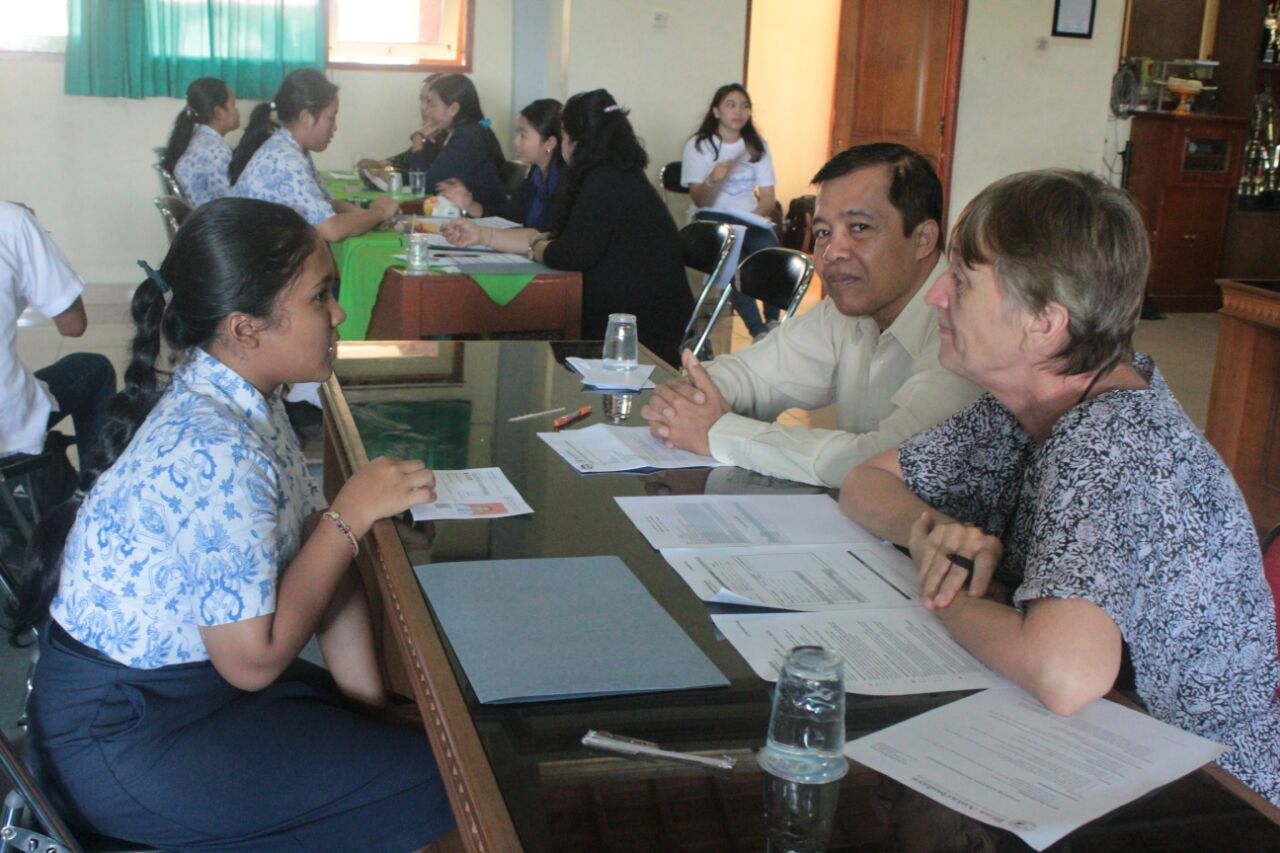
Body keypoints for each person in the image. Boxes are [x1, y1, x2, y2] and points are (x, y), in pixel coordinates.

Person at [9, 198, 455, 849]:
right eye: (321, 297)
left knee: (421, 741)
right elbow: (254, 660)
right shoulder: (218, 446)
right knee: (441, 784)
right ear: (246, 328)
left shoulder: (245, 398)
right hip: (124, 738)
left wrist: (372, 708)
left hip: (186, 690)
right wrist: (348, 516)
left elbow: (321, 562)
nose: (340, 313)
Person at [839, 169, 1280, 805]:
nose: (935, 296)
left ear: (1043, 324)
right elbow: (867, 482)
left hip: (1209, 797)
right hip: (1116, 751)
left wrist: (946, 588)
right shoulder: (1033, 398)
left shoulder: (1112, 441)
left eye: (962, 280)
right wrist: (925, 533)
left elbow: (1065, 672)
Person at [642, 143, 979, 488]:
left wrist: (716, 432)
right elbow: (755, 374)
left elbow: (890, 461)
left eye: (860, 228)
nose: (832, 252)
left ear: (923, 239)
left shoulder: (965, 329)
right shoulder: (848, 310)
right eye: (822, 233)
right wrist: (689, 399)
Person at [441, 90, 694, 365]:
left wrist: (537, 247)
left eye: (564, 133)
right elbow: (553, 238)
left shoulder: (604, 180)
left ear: (576, 139)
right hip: (634, 313)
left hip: (638, 332)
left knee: (518, 322)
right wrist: (482, 235)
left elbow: (567, 253)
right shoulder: (613, 173)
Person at [0, 201, 115, 475]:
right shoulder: (11, 222)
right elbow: (72, 325)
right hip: (7, 425)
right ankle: (95, 494)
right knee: (94, 369)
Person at [231, 69, 397, 242]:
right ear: (306, 118)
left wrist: (365, 216)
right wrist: (379, 213)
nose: (335, 128)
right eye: (331, 118)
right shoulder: (286, 160)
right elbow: (332, 230)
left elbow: (326, 204)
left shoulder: (291, 147)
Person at [682, 83, 780, 340]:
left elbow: (768, 197)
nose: (739, 111)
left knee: (770, 251)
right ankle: (757, 331)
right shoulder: (699, 145)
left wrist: (757, 217)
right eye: (731, 105)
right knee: (731, 260)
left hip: (749, 215)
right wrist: (713, 179)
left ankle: (773, 321)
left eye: (745, 106)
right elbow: (699, 200)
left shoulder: (757, 145)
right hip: (711, 217)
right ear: (716, 111)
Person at [437, 98, 564, 230]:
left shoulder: (563, 182)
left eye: (523, 135)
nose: (515, 141)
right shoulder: (536, 174)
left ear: (549, 143)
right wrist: (469, 204)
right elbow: (508, 217)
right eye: (517, 133)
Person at [412, 73, 507, 211]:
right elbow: (426, 174)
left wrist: (417, 139)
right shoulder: (459, 131)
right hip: (463, 213)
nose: (427, 110)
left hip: (486, 217)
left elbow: (425, 185)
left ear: (453, 109)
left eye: (433, 105)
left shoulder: (468, 136)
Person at [161, 77, 240, 207]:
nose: (237, 111)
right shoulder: (216, 152)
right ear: (219, 112)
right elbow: (233, 203)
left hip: (200, 219)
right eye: (233, 105)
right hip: (212, 223)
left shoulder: (197, 139)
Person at [359, 72, 445, 173]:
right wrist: (381, 164)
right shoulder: (431, 136)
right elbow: (408, 160)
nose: (422, 108)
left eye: (429, 101)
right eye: (421, 100)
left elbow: (421, 177)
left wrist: (417, 137)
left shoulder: (452, 139)